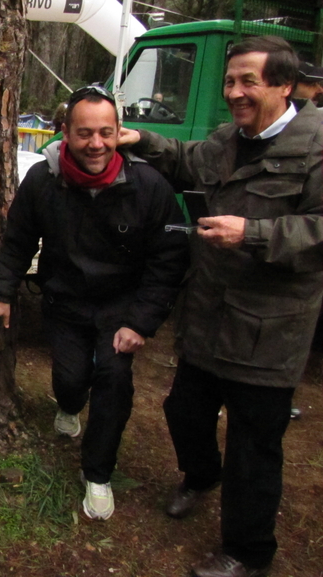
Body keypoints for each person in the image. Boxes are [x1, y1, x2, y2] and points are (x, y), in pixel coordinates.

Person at [118, 36, 323, 577]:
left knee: (254, 446)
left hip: (269, 327)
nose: (235, 92)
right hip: (209, 316)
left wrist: (253, 232)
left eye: (248, 81)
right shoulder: (230, 138)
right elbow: (190, 160)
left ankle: (247, 552)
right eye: (231, 81)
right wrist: (138, 137)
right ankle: (201, 476)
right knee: (183, 410)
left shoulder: (317, 144)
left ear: (284, 84)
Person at [0, 85, 189, 521]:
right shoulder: (42, 179)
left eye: (106, 133)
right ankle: (70, 405)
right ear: (65, 134)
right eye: (85, 133)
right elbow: (18, 240)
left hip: (121, 308)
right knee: (71, 380)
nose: (96, 143)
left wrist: (142, 322)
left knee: (113, 380)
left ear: (119, 133)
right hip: (65, 300)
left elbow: (168, 261)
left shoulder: (148, 184)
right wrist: (0, 292)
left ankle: (97, 474)